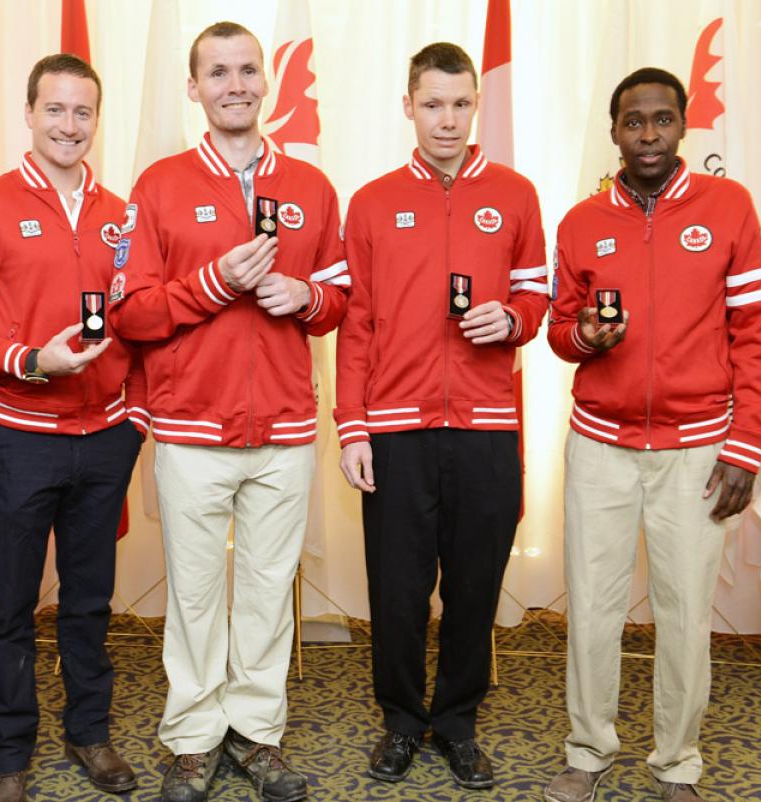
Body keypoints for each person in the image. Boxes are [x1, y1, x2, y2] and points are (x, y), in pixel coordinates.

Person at [108, 21, 349, 802]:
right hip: (191, 428)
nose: (236, 84)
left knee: (268, 592)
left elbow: (341, 299)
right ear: (194, 89)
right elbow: (134, 315)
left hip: (283, 427)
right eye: (218, 72)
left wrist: (306, 296)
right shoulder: (159, 185)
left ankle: (256, 735)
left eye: (247, 70)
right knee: (196, 594)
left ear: (264, 82)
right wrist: (215, 282)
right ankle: (192, 738)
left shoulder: (311, 186)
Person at [542, 68, 761, 802]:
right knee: (591, 607)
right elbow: (559, 331)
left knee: (683, 613)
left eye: (663, 120)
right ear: (614, 132)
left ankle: (677, 762)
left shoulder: (728, 207)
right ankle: (588, 752)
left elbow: (758, 335)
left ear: (683, 126)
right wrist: (583, 335)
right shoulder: (582, 222)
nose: (649, 134)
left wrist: (744, 445)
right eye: (634, 122)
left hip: (698, 452)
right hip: (601, 447)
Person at [0, 54, 145, 802]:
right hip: (21, 437)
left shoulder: (124, 214)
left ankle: (90, 734)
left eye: (83, 112)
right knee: (12, 602)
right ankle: (10, 757)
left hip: (107, 437)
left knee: (89, 600)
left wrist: (136, 411)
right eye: (55, 110)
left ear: (96, 118)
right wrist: (28, 359)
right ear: (29, 114)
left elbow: (142, 324)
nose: (69, 125)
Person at [334, 42, 549, 791]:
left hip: (487, 427)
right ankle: (398, 720)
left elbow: (536, 299)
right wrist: (351, 425)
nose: (448, 119)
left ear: (474, 105)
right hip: (395, 428)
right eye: (433, 104)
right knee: (395, 588)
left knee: (474, 585)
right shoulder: (371, 201)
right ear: (408, 107)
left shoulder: (517, 195)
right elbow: (354, 323)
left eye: (460, 104)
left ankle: (457, 722)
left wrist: (513, 319)